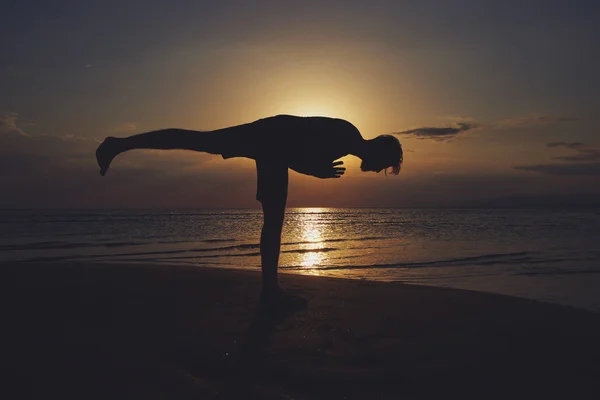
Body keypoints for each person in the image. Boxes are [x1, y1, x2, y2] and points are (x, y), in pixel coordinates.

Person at [96, 114, 403, 313]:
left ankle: (270, 292)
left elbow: (294, 151)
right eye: (385, 164)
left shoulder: (347, 141)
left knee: (273, 220)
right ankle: (119, 144)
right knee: (196, 140)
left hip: (272, 148)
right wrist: (313, 170)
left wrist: (312, 168)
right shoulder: (347, 136)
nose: (379, 171)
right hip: (267, 139)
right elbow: (288, 145)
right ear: (379, 148)